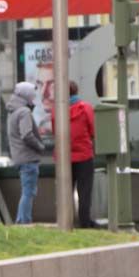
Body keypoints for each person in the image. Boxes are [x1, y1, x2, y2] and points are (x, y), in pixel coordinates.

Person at [50, 81, 97, 228]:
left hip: (64, 157)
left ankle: (65, 221)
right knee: (84, 191)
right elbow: (93, 130)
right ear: (76, 91)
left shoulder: (56, 110)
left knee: (65, 192)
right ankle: (84, 221)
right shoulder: (86, 108)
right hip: (84, 156)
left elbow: (55, 132)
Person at [7, 81, 49, 224]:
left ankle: (22, 220)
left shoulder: (13, 112)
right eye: (32, 95)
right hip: (28, 158)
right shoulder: (24, 112)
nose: (34, 98)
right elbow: (27, 134)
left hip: (19, 158)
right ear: (26, 95)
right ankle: (23, 221)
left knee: (27, 191)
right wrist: (40, 146)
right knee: (28, 192)